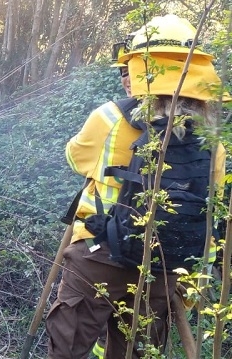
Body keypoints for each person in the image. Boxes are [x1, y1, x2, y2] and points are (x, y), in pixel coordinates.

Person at [47, 14, 225, 358]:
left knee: (68, 345)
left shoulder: (111, 118)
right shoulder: (213, 141)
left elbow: (75, 158)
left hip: (99, 253)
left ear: (143, 66)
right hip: (164, 263)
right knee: (139, 351)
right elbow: (210, 205)